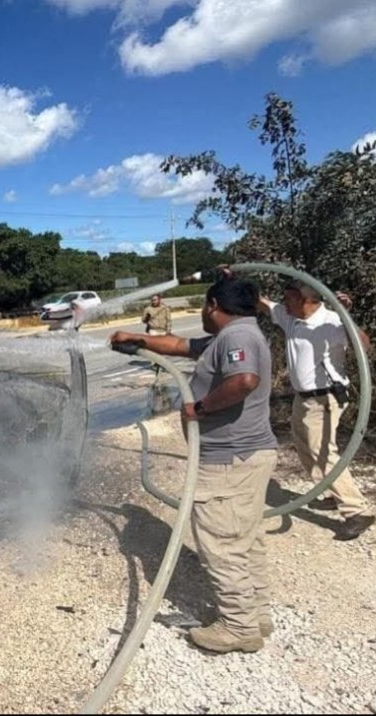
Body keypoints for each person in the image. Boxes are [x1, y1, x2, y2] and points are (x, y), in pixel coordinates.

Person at [110, 276, 278, 654]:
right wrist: (136, 340)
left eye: (204, 307)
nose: (203, 313)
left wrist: (199, 408)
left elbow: (244, 381)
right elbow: (180, 345)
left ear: (213, 305)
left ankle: (238, 628)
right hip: (242, 457)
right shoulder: (231, 336)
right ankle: (256, 614)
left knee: (221, 541)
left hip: (229, 460)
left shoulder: (237, 338)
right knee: (244, 538)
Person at [258, 278, 376, 541]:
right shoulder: (291, 317)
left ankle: (357, 511)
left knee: (323, 452)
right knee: (303, 445)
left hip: (326, 398)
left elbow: (364, 345)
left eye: (289, 298)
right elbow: (263, 304)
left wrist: (346, 315)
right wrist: (230, 279)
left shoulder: (332, 321)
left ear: (307, 301)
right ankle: (327, 492)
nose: (283, 303)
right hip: (303, 398)